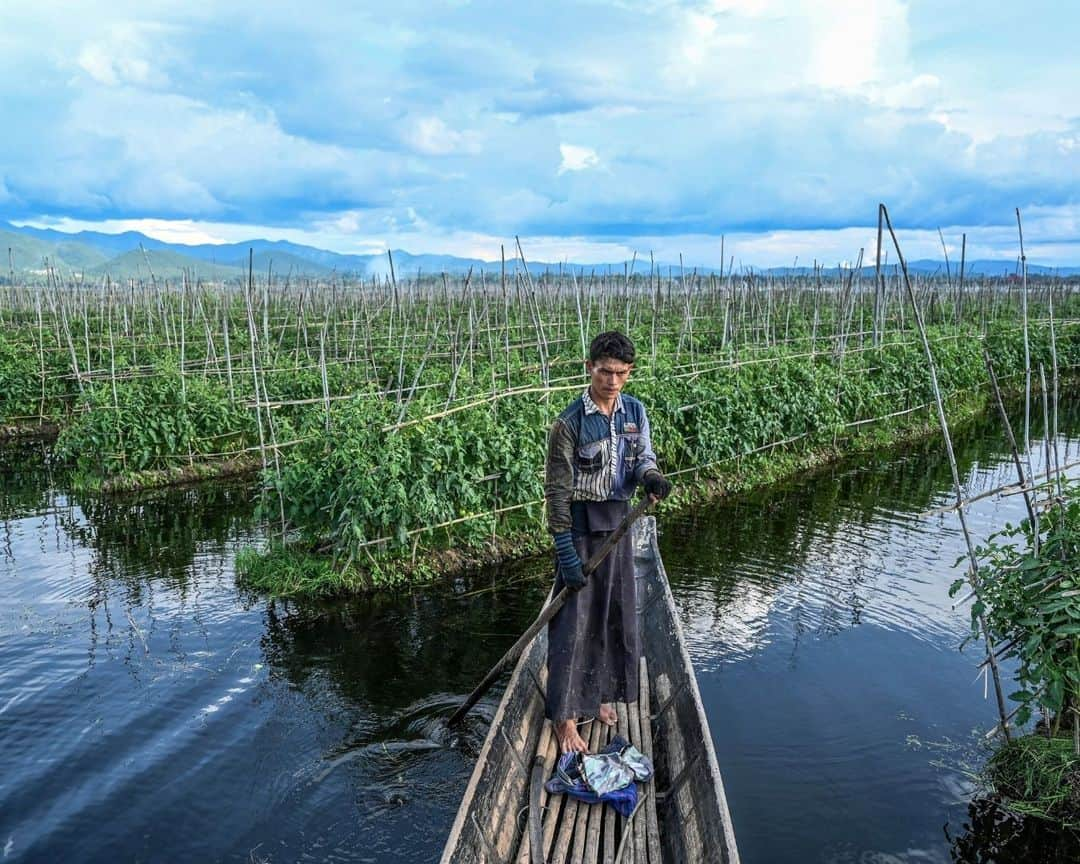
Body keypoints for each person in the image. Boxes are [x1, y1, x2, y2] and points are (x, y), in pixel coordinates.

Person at [544, 330, 673, 753]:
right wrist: (566, 554)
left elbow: (642, 460)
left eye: (620, 373)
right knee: (573, 625)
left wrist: (650, 477)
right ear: (589, 368)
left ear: (629, 373)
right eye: (604, 371)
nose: (612, 381)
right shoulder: (569, 423)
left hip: (619, 525)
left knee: (612, 616)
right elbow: (557, 493)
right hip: (580, 531)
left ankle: (596, 697)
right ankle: (564, 718)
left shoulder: (634, 412)